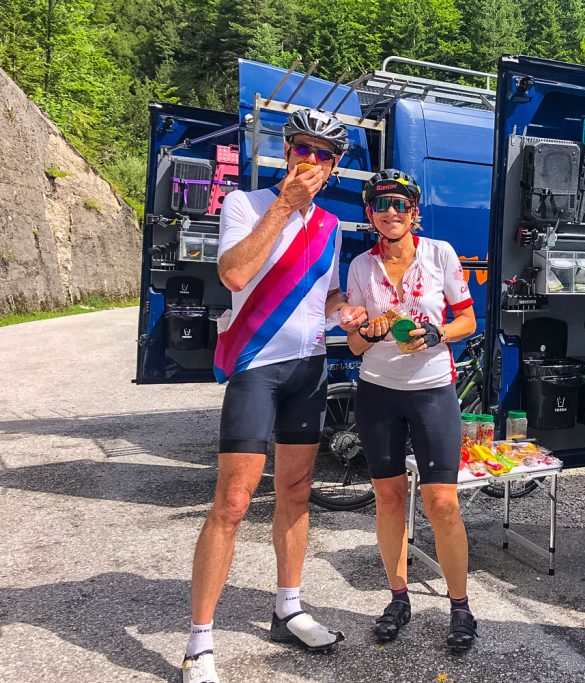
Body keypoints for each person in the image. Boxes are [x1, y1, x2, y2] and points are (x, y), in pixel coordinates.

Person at [181, 108, 367, 683]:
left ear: (334, 167)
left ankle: (288, 607)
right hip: (256, 367)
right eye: (302, 150)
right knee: (233, 503)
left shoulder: (333, 227)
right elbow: (234, 275)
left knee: (295, 493)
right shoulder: (246, 204)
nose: (310, 162)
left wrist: (345, 309)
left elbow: (326, 291)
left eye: (322, 155)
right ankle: (199, 643)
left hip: (309, 369)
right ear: (287, 154)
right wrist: (284, 205)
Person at [346, 169, 479, 651]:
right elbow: (356, 346)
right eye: (381, 205)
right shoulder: (361, 267)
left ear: (413, 212)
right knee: (388, 499)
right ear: (370, 214)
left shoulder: (440, 253)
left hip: (431, 390)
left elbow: (467, 318)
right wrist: (370, 332)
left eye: (400, 204)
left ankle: (461, 607)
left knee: (442, 503)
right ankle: (398, 597)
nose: (391, 212)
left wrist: (438, 333)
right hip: (378, 391)